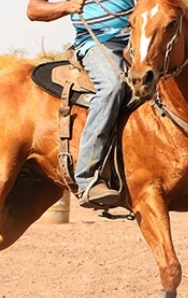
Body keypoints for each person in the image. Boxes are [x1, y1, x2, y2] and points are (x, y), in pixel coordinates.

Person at [27, 0, 133, 207]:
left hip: (144, 38)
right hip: (99, 42)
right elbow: (34, 9)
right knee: (112, 85)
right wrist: (66, 6)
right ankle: (89, 178)